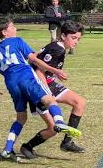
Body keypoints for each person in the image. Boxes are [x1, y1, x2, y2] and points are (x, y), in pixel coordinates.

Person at [0, 17, 82, 160]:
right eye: (13, 26)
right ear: (5, 32)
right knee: (50, 100)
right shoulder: (17, 41)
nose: (15, 29)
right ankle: (59, 122)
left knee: (21, 119)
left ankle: (8, 149)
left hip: (11, 84)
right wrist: (55, 70)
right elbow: (34, 60)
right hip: (26, 78)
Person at [24, 20, 86, 154]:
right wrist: (46, 92)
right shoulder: (56, 49)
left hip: (49, 83)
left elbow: (36, 60)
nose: (76, 42)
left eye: (78, 39)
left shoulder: (58, 48)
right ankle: (27, 147)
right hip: (38, 87)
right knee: (53, 128)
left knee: (79, 102)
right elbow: (38, 70)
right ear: (63, 36)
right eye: (73, 38)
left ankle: (67, 142)